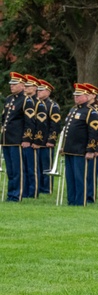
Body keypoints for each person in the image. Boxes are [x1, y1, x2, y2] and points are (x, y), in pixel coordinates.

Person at [62, 83, 98, 207]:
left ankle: (80, 201)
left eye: (79, 95)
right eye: (75, 95)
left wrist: (91, 149)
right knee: (70, 178)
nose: (76, 97)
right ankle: (71, 200)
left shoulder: (91, 112)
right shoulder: (73, 109)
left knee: (80, 177)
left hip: (80, 150)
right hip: (70, 149)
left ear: (86, 96)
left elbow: (94, 132)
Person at [2, 72, 30, 201]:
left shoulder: (26, 100)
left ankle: (17, 194)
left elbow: (29, 122)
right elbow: (4, 119)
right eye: (11, 84)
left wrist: (26, 138)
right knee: (11, 170)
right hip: (7, 139)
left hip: (17, 139)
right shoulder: (9, 99)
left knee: (17, 169)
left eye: (15, 84)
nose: (12, 86)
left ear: (22, 85)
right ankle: (11, 193)